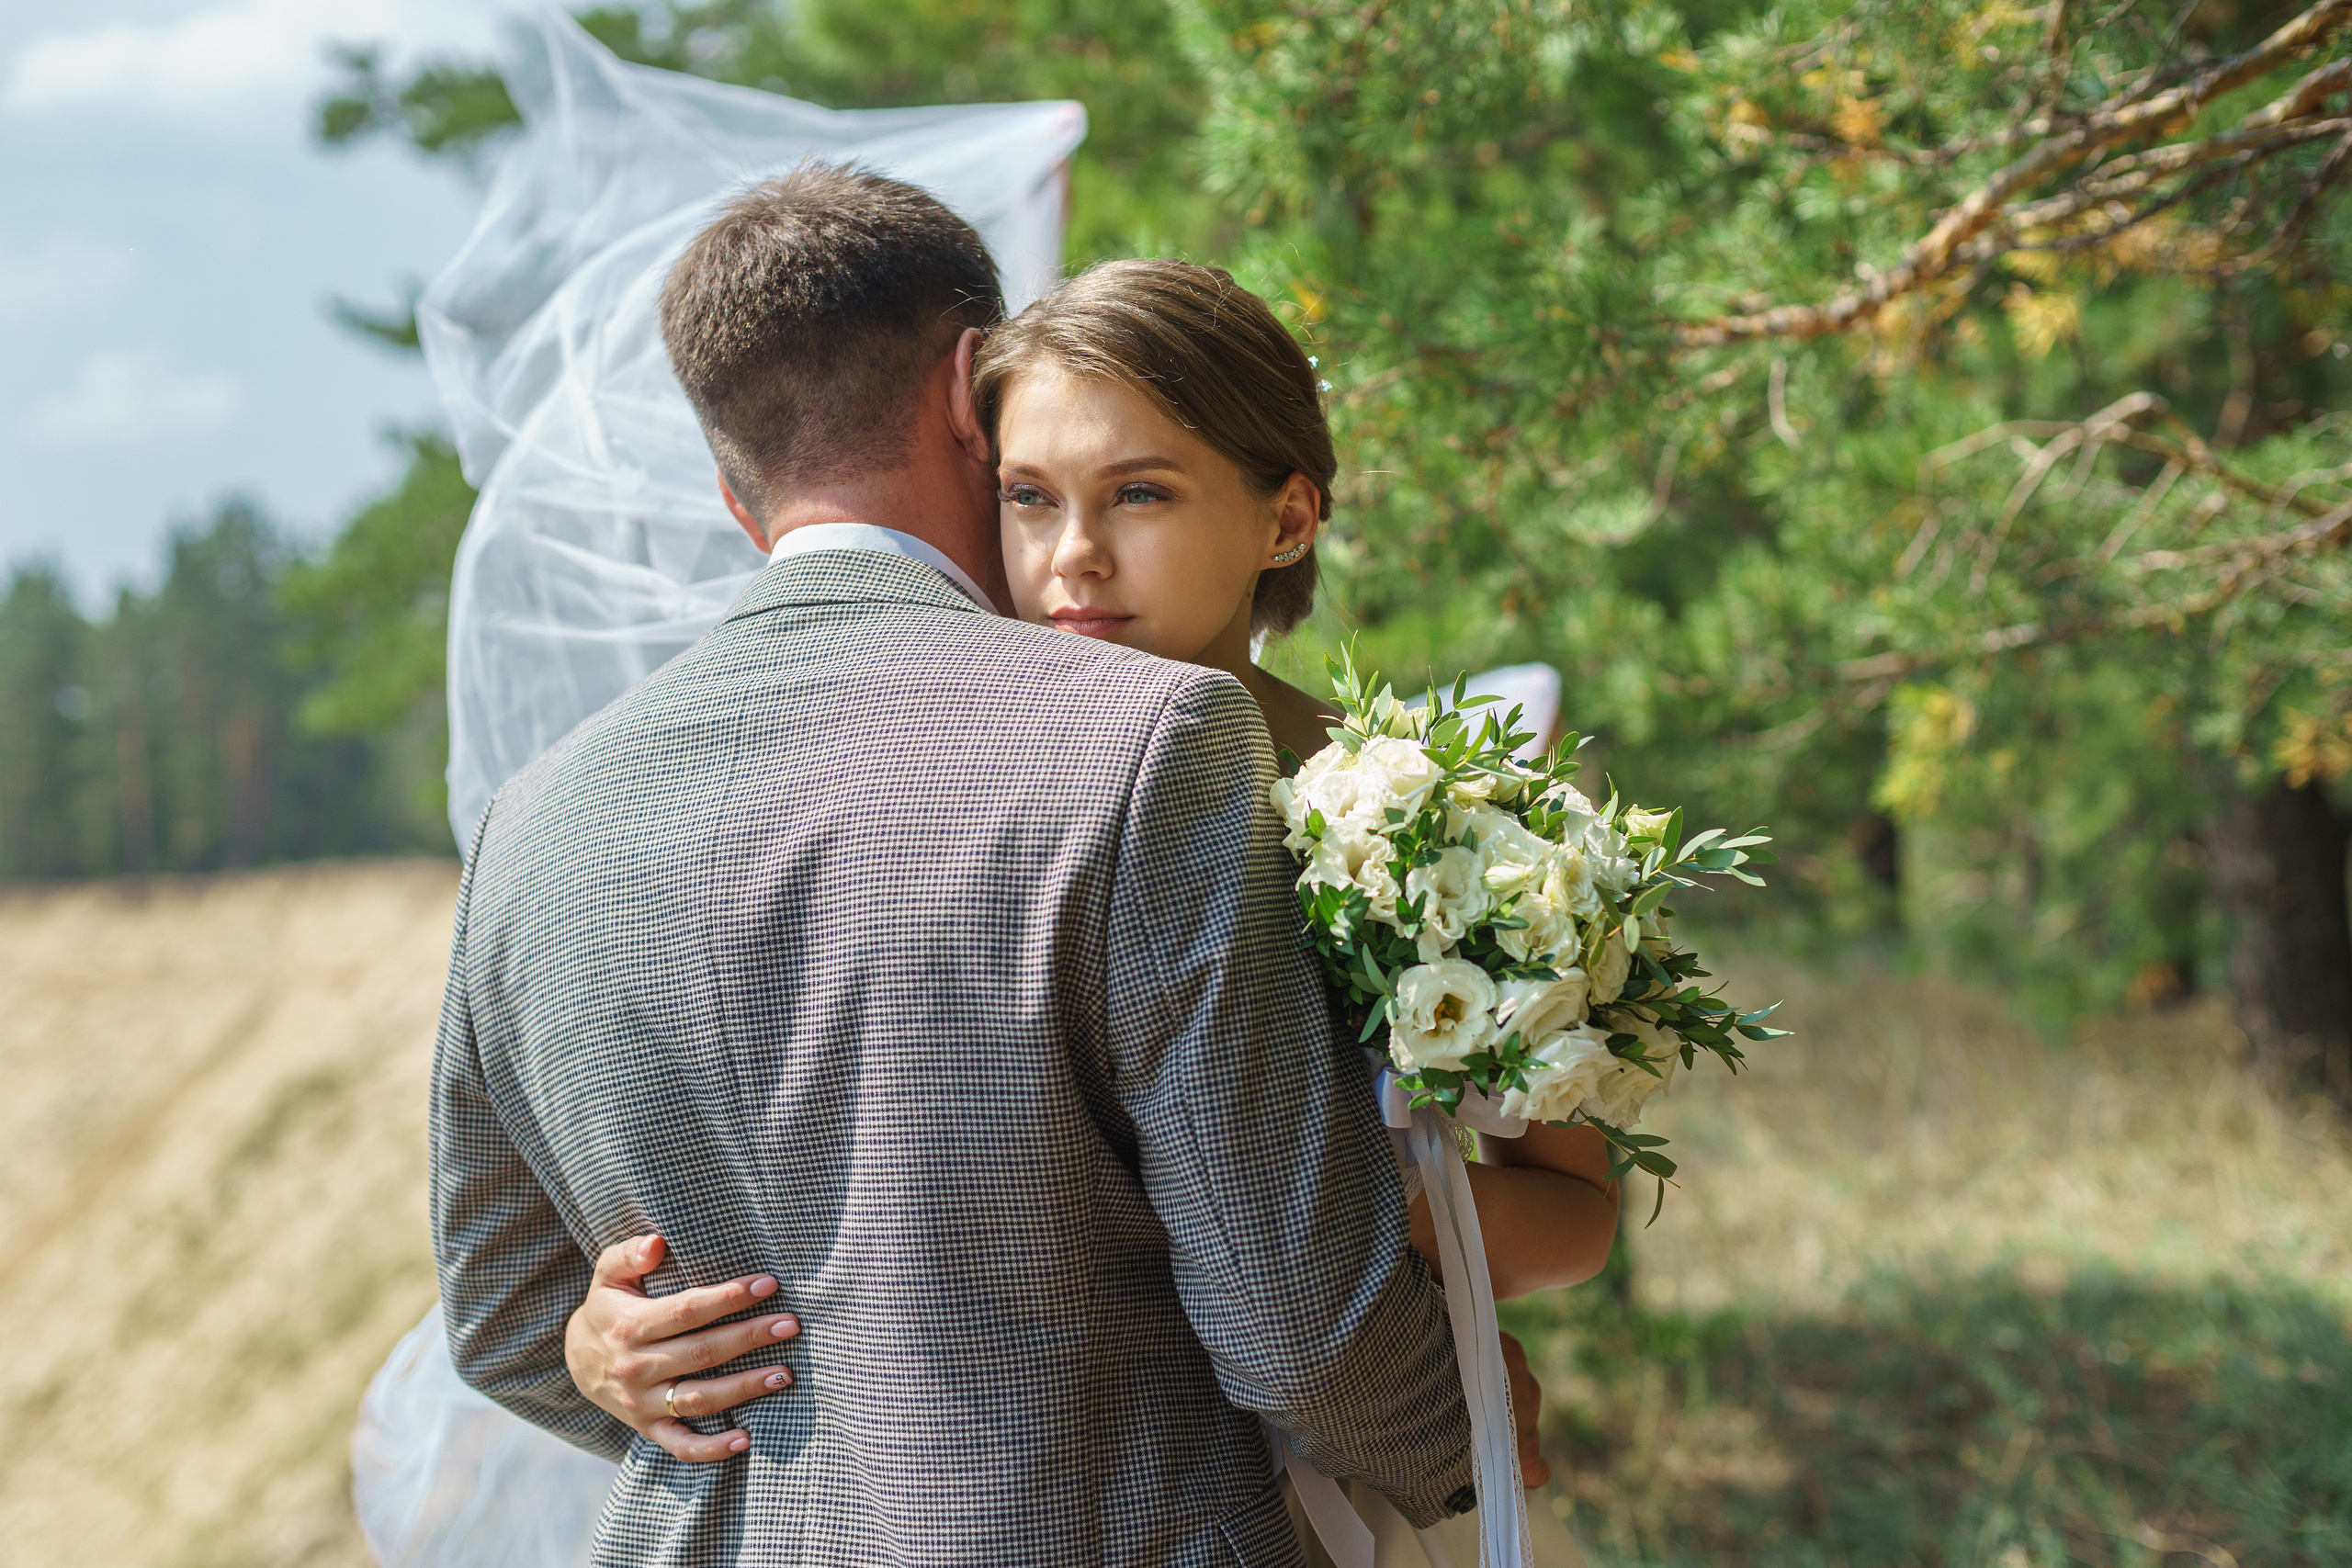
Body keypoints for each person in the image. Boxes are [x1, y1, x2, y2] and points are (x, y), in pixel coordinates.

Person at [431, 167, 1485, 1566]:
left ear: (736, 493)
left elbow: (506, 1320)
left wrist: (603, 1346)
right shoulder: (1153, 739)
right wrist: (1468, 1450)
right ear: (966, 393)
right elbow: (1298, 1327)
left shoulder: (533, 822)